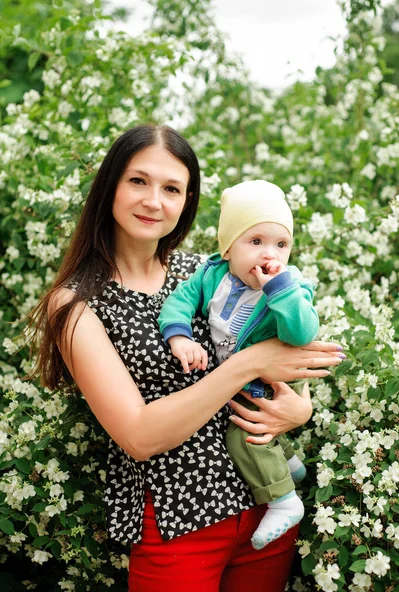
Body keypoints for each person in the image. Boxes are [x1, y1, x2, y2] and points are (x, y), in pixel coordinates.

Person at [30, 124, 344, 592]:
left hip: (262, 508)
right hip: (178, 522)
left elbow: (278, 338)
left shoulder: (203, 269)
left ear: (187, 200)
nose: (154, 201)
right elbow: (138, 435)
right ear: (110, 185)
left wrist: (300, 408)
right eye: (138, 181)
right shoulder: (76, 303)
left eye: (171, 188)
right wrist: (250, 364)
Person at [158, 179, 321, 550]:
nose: (270, 255)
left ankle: (282, 501)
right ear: (228, 248)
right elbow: (179, 303)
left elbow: (301, 333)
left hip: (275, 377)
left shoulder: (291, 284)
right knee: (255, 422)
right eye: (256, 241)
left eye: (281, 244)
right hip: (244, 376)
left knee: (243, 436)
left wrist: (280, 290)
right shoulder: (210, 275)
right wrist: (180, 336)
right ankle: (290, 463)